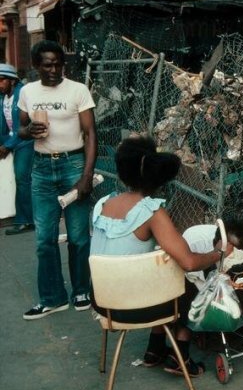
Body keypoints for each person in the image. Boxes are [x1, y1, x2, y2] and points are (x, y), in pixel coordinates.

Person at [91, 135, 226, 377]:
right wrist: (218, 253)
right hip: (133, 307)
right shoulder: (151, 211)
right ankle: (180, 355)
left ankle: (154, 348)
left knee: (160, 274)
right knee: (191, 286)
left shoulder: (102, 203)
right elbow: (189, 262)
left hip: (102, 302)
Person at [18, 41, 98, 319]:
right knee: (44, 239)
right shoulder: (27, 92)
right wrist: (29, 130)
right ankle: (53, 298)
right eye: (47, 65)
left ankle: (81, 290)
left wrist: (86, 175)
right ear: (36, 66)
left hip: (72, 165)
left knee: (78, 236)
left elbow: (90, 133)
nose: (53, 70)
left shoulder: (78, 90)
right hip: (41, 168)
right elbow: (21, 129)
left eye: (57, 64)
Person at [0, 63, 34, 235]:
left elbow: (24, 127)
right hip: (13, 142)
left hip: (25, 143)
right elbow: (4, 126)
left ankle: (25, 221)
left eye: (1, 80)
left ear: (12, 80)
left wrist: (7, 146)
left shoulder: (22, 93)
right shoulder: (3, 97)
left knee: (23, 180)